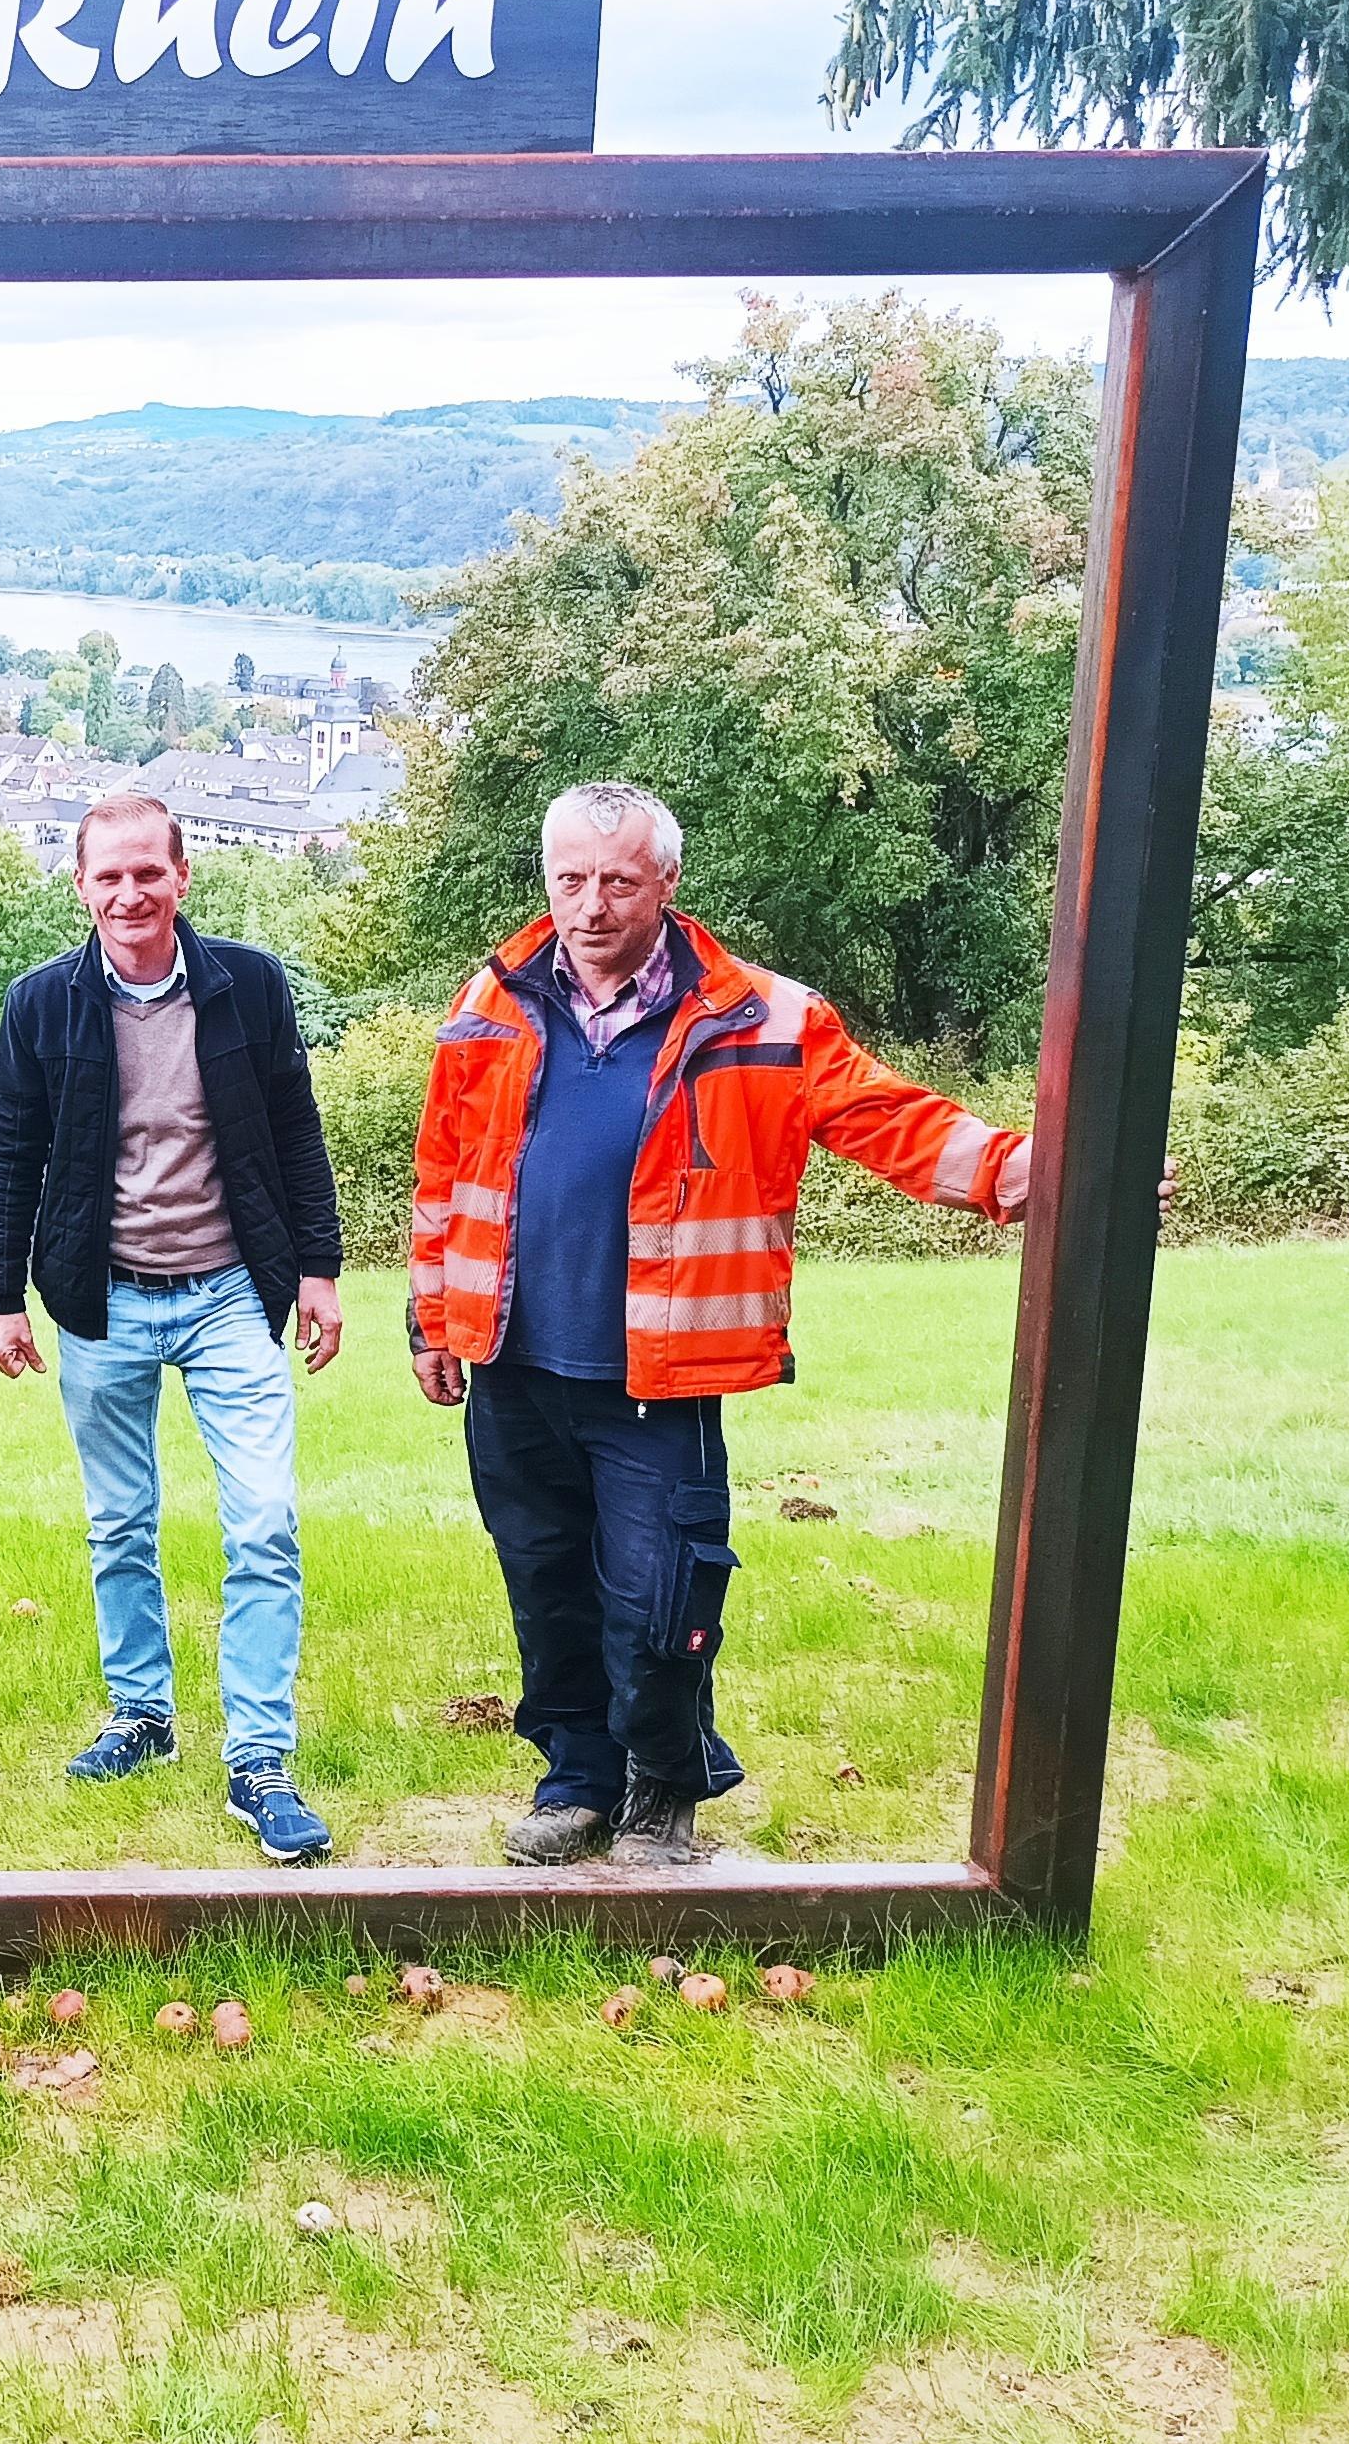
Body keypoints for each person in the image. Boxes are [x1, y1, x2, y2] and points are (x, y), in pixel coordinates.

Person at [409, 779, 1076, 1869]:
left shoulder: (763, 1017)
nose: (590, 906)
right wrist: (431, 1319)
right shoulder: (492, 1002)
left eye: (618, 882)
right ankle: (576, 1780)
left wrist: (1040, 1171)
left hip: (660, 1378)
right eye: (570, 880)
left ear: (667, 882)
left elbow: (891, 1120)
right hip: (513, 1367)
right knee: (547, 1591)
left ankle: (662, 1787)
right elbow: (445, 1170)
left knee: (662, 1600)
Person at [0, 792, 347, 1860]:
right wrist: (0, 1298)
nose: (130, 892)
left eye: (149, 872)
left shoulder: (248, 986)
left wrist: (318, 1269)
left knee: (264, 1521)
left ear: (182, 876)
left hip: (231, 1290)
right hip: (101, 1300)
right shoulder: (41, 1005)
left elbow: (294, 1126)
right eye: (110, 875)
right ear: (81, 885)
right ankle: (141, 1715)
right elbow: (11, 1154)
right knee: (119, 1523)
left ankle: (259, 1757)